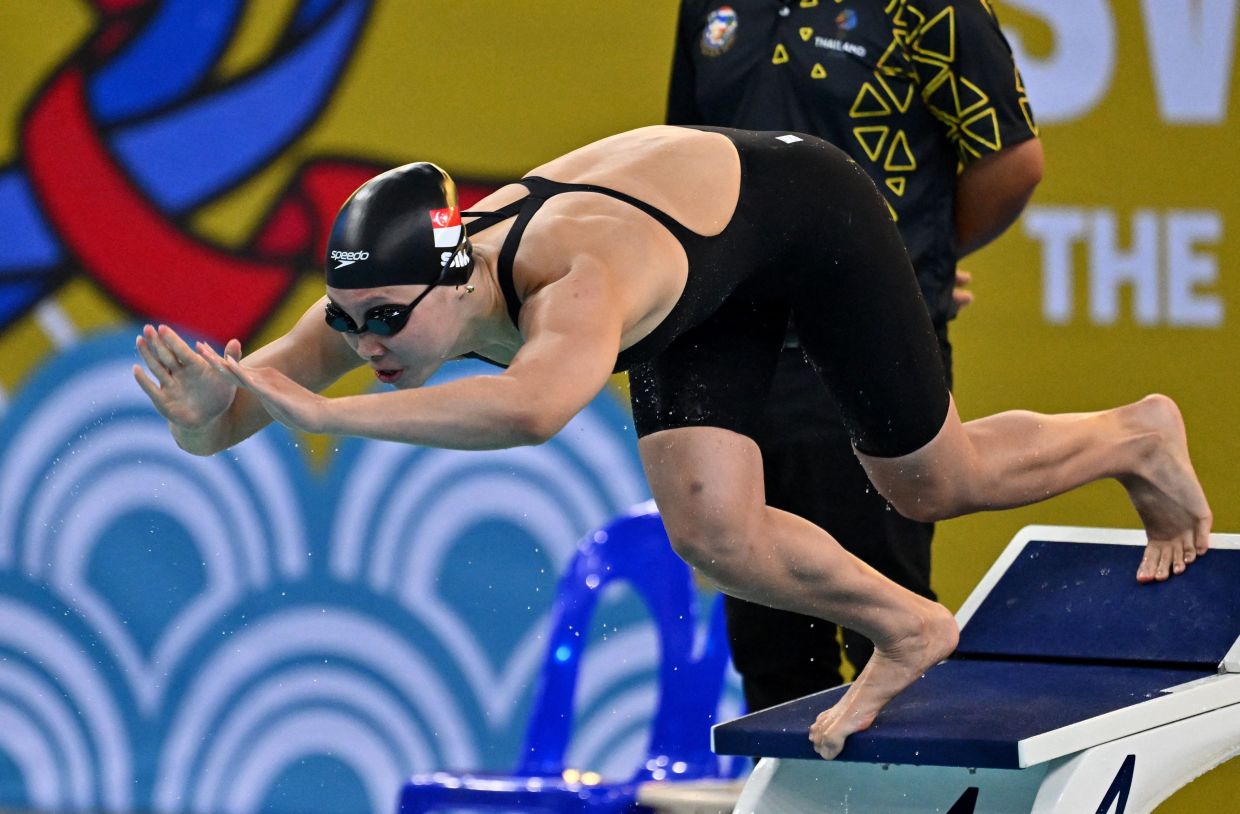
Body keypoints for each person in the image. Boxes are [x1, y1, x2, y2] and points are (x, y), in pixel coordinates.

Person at [132, 125, 1211, 760]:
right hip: (699, 273)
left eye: (385, 323)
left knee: (928, 481)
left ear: (457, 277)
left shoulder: (574, 274)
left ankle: (1136, 434)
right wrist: (200, 423)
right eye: (349, 323)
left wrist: (328, 417)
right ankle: (909, 627)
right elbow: (238, 408)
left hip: (801, 212)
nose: (365, 346)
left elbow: (533, 410)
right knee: (710, 526)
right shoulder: (380, 297)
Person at [666, 0, 1045, 709]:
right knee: (770, 641)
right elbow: (683, 160)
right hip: (735, 346)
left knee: (891, 626)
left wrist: (897, 274)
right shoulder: (709, 6)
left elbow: (1013, 161)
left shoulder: (931, 8)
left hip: (857, 348)